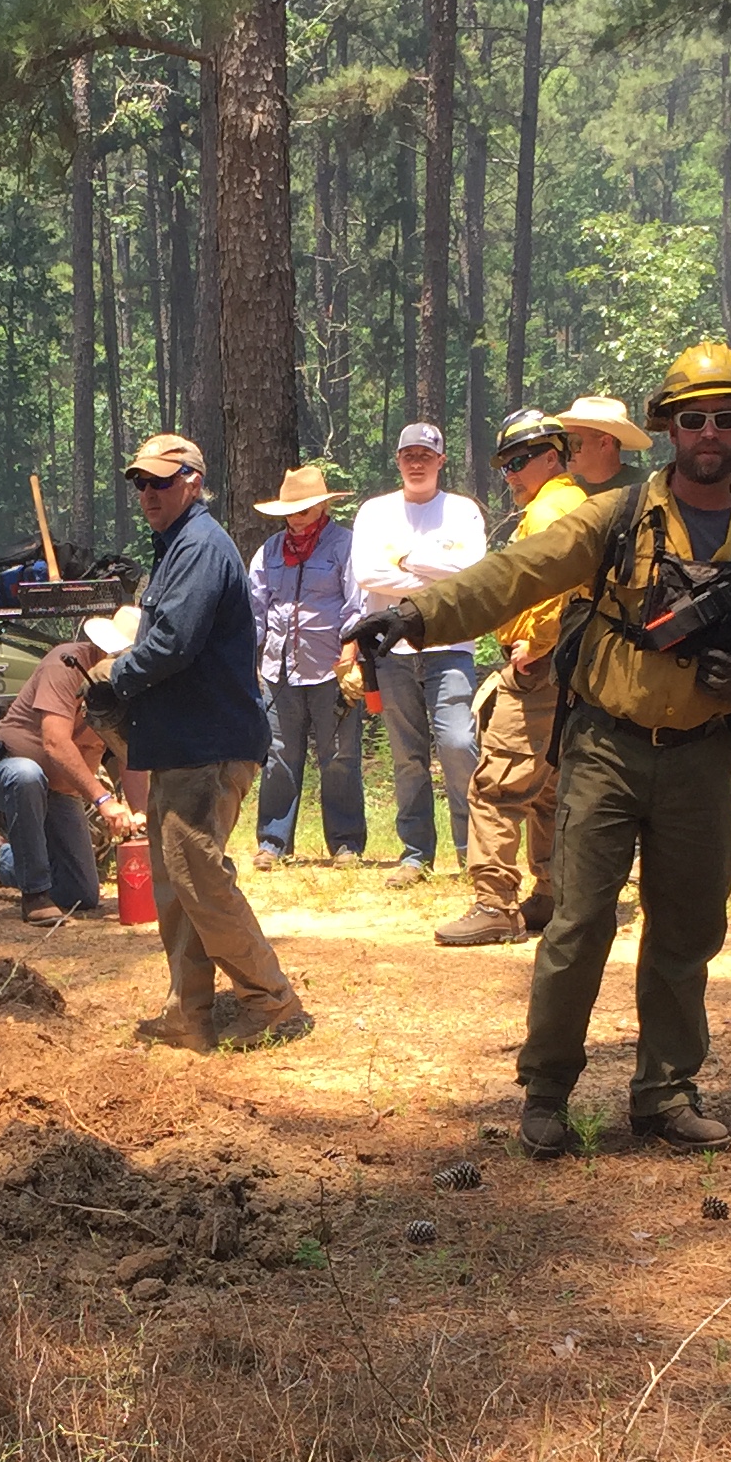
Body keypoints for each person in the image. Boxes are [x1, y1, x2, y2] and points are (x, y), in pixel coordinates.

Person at [362, 344, 731, 1154]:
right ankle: (545, 1094)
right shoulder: (616, 518)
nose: (709, 432)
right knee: (577, 923)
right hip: (606, 749)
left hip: (702, 760)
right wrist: (418, 617)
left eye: (726, 417)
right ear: (667, 428)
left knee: (686, 930)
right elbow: (515, 574)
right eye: (692, 418)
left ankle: (665, 1093)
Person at [89, 434, 308, 1051]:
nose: (148, 494)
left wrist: (113, 676)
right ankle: (190, 1013)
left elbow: (172, 644)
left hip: (208, 744)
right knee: (178, 884)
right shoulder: (178, 547)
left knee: (200, 879)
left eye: (161, 482)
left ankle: (272, 1001)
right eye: (140, 483)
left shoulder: (201, 547)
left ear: (192, 481)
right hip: (183, 742)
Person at [433, 405, 586, 948]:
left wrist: (535, 640)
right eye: (504, 464)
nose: (510, 474)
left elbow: (556, 583)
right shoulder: (569, 503)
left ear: (552, 457)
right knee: (547, 787)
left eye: (520, 461)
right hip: (568, 666)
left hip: (540, 665)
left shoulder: (551, 512)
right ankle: (550, 893)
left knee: (496, 787)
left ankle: (495, 905)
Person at [351, 421, 489, 883]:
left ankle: (473, 851)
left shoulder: (463, 511)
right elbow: (367, 574)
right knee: (406, 754)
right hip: (392, 650)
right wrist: (434, 577)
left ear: (440, 462)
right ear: (397, 460)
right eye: (408, 455)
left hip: (451, 644)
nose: (416, 463)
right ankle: (415, 855)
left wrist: (405, 560)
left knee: (457, 744)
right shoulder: (374, 512)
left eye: (425, 456)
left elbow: (471, 572)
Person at [0, 610, 135, 925]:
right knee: (26, 775)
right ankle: (35, 896)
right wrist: (103, 799)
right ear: (106, 649)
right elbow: (55, 744)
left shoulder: (128, 686)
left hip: (59, 786)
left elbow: (128, 753)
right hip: (6, 767)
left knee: (81, 894)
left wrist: (141, 811)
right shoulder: (64, 664)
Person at [246, 464, 367, 868]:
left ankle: (346, 843)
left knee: (339, 756)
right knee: (279, 753)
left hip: (332, 667)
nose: (296, 517)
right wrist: (252, 658)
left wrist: (350, 653)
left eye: (304, 508)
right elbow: (257, 608)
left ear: (321, 507)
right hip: (278, 669)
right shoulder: (268, 551)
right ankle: (272, 842)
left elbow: (356, 603)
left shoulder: (344, 545)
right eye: (291, 509)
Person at [555, 395, 642, 495]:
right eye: (564, 441)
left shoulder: (648, 489)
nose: (566, 449)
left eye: (574, 441)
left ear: (605, 443)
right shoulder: (564, 492)